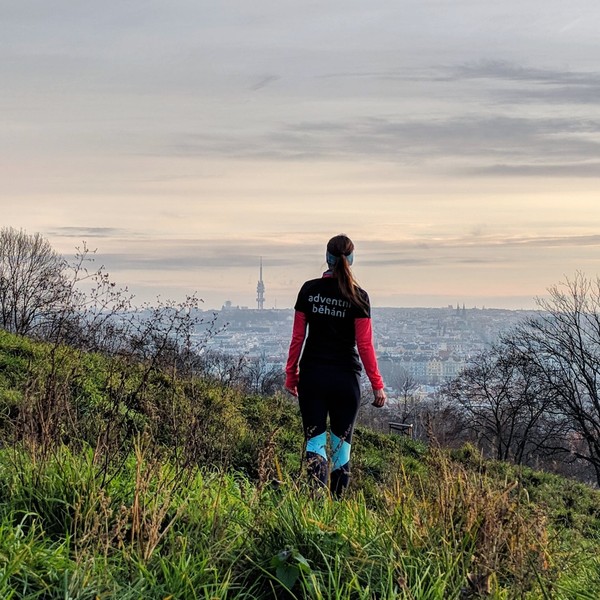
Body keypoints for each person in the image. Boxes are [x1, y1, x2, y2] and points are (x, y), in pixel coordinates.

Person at [285, 234, 386, 497]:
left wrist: (291, 374)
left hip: (313, 377)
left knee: (315, 442)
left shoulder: (309, 290)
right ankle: (336, 506)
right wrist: (377, 385)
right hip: (346, 380)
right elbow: (365, 346)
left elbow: (298, 337)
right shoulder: (359, 297)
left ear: (327, 258)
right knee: (342, 449)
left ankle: (316, 503)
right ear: (351, 259)